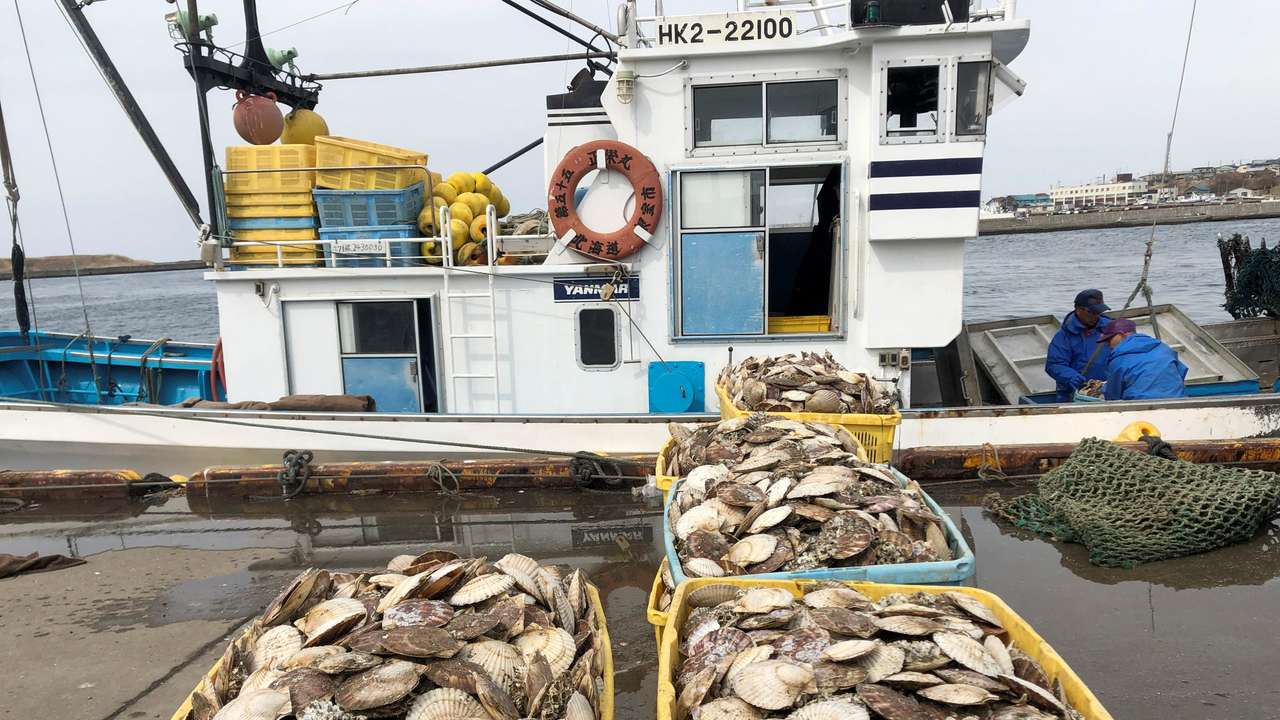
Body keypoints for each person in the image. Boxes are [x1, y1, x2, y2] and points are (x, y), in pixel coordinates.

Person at [1045, 289, 1113, 402]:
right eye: (1091, 312)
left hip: (1108, 391)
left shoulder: (1112, 329)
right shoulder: (1063, 336)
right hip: (1074, 394)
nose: (1095, 316)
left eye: (1098, 312)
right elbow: (1054, 364)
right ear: (1078, 310)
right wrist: (1071, 377)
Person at [1100, 318, 1188, 400]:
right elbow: (1181, 372)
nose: (1108, 345)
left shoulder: (1118, 360)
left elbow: (1113, 396)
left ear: (1121, 335)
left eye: (1109, 340)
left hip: (1140, 404)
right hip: (1177, 400)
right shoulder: (1164, 348)